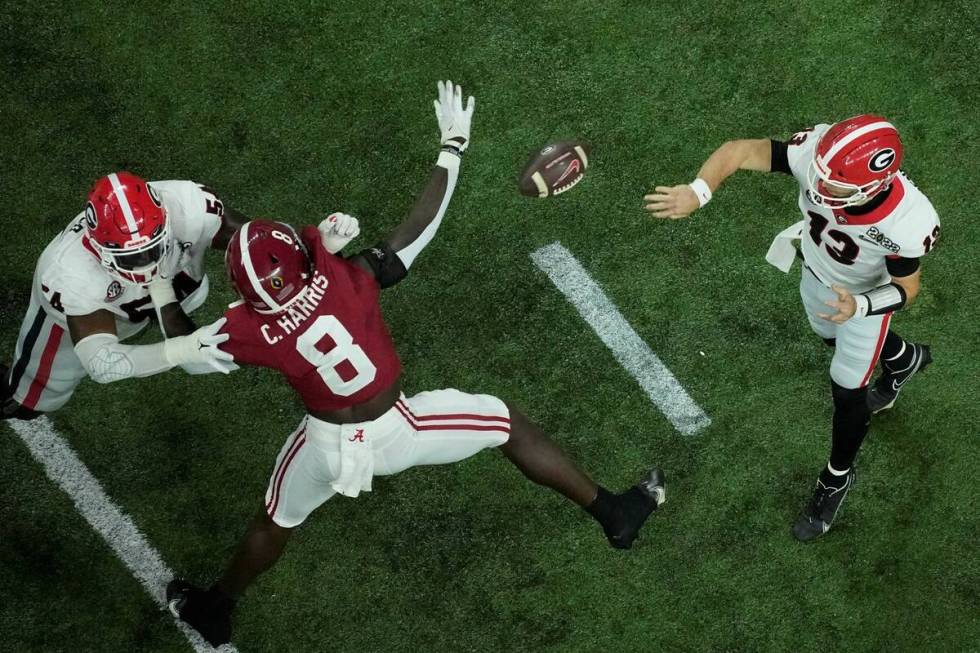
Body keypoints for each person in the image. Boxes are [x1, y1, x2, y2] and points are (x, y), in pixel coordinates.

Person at [167, 81, 665, 646]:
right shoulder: (344, 279)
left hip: (324, 444)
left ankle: (215, 607)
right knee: (506, 422)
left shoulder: (247, 328)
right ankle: (615, 515)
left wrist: (162, 294)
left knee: (275, 518)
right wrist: (452, 146)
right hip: (394, 431)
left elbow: (190, 353)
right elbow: (418, 228)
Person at [643, 115, 938, 541]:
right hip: (816, 274)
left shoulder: (903, 222)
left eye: (832, 184)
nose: (817, 186)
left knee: (846, 387)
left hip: (862, 306)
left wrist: (862, 305)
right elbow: (739, 150)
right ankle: (904, 359)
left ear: (871, 188)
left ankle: (836, 478)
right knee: (826, 338)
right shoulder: (819, 158)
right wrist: (698, 191)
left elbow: (908, 289)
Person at [1, 173, 243, 419]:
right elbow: (103, 363)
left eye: (153, 248)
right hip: (86, 316)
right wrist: (180, 351)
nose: (147, 263)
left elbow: (263, 240)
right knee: (26, 402)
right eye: (131, 258)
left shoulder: (189, 205)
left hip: (153, 300)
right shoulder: (70, 274)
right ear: (99, 249)